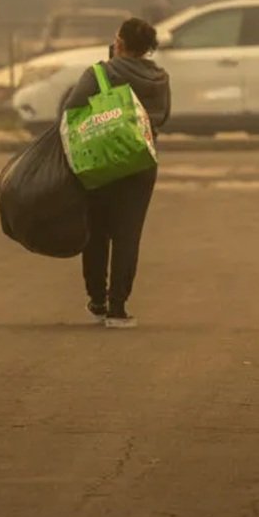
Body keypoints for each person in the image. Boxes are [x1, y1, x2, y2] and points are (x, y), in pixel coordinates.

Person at [63, 18, 171, 329]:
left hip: (102, 161)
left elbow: (70, 110)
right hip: (141, 162)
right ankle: (118, 308)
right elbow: (163, 117)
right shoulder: (161, 78)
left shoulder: (102, 72)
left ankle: (97, 300)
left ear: (120, 43)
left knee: (96, 231)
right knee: (128, 235)